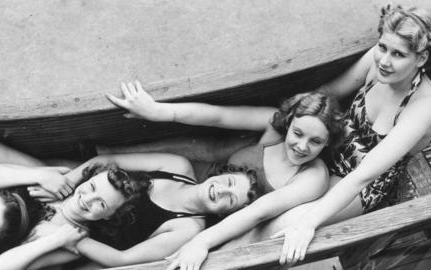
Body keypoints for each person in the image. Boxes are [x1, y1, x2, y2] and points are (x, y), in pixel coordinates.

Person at [248, 5, 431, 266]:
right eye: (382, 47)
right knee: (258, 205)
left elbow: (363, 175)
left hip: (360, 184)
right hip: (325, 148)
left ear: (421, 58)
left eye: (399, 54)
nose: (385, 60)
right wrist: (284, 124)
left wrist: (309, 223)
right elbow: (327, 93)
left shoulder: (423, 106)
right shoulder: (378, 62)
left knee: (279, 228)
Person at [106, 84, 344, 270]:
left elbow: (257, 213)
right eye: (298, 133)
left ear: (328, 142)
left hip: (228, 232)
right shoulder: (275, 128)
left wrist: (202, 242)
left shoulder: (312, 176)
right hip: (203, 189)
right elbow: (218, 116)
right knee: (143, 184)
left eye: (315, 142)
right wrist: (158, 111)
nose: (302, 147)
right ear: (289, 122)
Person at [0, 152, 261, 269]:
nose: (221, 191)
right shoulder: (176, 165)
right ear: (221, 174)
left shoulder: (188, 227)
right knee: (41, 174)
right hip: (82, 193)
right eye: (228, 184)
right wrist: (62, 184)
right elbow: (105, 163)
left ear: (227, 213)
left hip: (89, 230)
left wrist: (65, 236)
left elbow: (122, 260)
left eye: (230, 200)